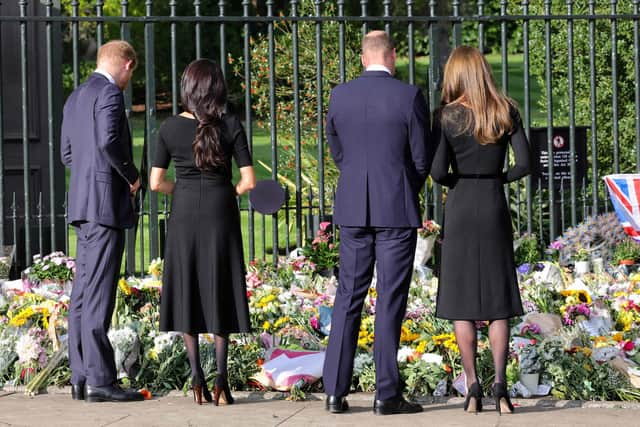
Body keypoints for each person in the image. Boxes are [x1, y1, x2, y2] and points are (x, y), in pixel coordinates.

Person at [322, 30, 431, 416]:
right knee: (389, 301)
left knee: (348, 298)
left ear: (363, 58)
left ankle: (335, 391)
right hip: (395, 210)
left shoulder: (340, 95)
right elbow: (421, 158)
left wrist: (355, 178)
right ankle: (386, 394)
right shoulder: (409, 96)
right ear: (394, 55)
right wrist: (402, 186)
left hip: (353, 209)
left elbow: (337, 149)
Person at [431, 45, 531, 414]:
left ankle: (473, 387)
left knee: (462, 301)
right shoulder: (506, 109)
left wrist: (461, 177)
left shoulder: (446, 116)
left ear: (455, 74)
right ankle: (501, 387)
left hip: (459, 204)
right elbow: (525, 163)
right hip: (492, 202)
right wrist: (498, 176)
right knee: (498, 301)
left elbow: (438, 171)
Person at [150, 59, 256, 405]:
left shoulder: (168, 128)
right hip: (220, 213)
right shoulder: (230, 125)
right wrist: (228, 193)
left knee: (187, 286)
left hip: (183, 215)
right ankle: (221, 382)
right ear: (217, 89)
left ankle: (196, 377)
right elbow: (248, 181)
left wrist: (180, 190)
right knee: (220, 284)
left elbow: (155, 182)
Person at [61, 40, 144, 402]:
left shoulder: (76, 96)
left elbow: (67, 154)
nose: (129, 79)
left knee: (82, 293)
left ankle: (80, 375)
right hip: (104, 207)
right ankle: (100, 379)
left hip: (82, 206)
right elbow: (110, 141)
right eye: (131, 72)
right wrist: (131, 176)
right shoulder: (110, 94)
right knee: (98, 294)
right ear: (126, 64)